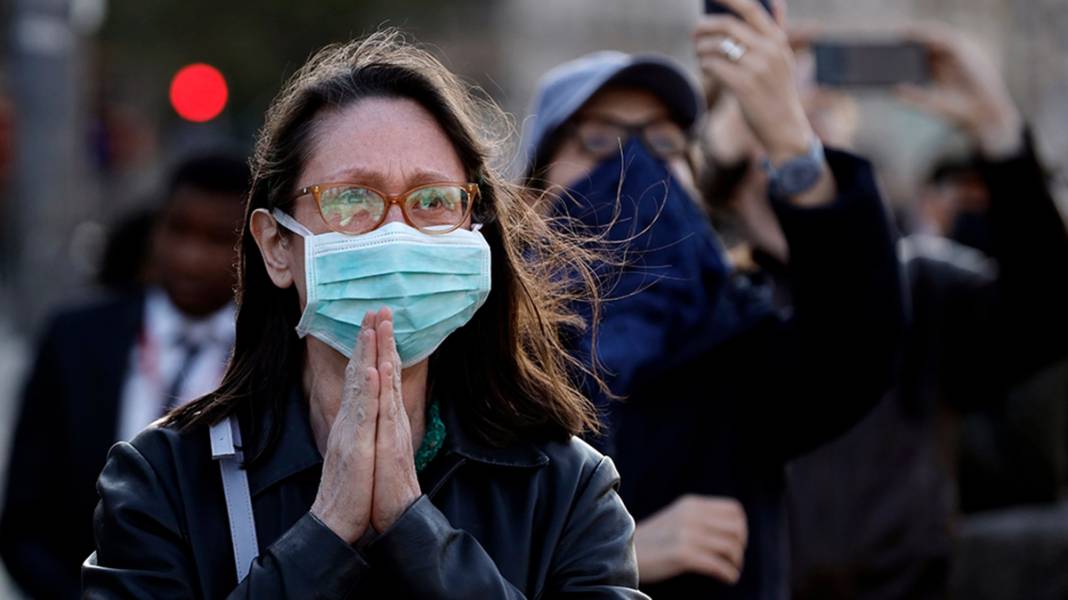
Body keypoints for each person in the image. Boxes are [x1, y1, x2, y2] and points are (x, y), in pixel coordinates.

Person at [82, 30, 646, 598]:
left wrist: (415, 527)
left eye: (432, 201)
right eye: (352, 200)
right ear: (277, 245)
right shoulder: (165, 480)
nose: (397, 233)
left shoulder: (566, 486)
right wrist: (325, 532)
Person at [523, 0, 905, 597]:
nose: (634, 168)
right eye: (597, 140)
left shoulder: (735, 352)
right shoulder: (489, 365)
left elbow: (856, 343)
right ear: (533, 197)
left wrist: (784, 129)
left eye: (665, 142)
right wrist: (610, 553)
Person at [698, 23, 1068, 599]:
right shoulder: (702, 297)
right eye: (773, 121)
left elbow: (1045, 314)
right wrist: (726, 135)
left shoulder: (918, 284)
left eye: (817, 123)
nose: (793, 139)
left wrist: (998, 130)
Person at [0, 151, 247, 599]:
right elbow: (23, 521)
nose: (191, 258)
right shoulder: (76, 339)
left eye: (217, 239)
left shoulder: (269, 352)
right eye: (178, 230)